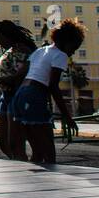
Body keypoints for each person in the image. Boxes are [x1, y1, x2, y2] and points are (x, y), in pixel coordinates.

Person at [9, 19, 84, 165]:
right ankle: (52, 182)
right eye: (73, 47)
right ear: (66, 41)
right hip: (34, 95)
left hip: (20, 95)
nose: (73, 52)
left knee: (37, 151)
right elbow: (53, 86)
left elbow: (21, 73)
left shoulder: (40, 51)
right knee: (48, 151)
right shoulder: (61, 55)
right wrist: (67, 116)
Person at [0, 20, 37, 160]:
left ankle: (22, 166)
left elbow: (16, 78)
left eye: (0, 39)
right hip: (5, 96)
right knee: (5, 144)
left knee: (15, 143)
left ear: (7, 35)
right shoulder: (9, 51)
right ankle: (20, 163)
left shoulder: (24, 51)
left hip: (16, 96)